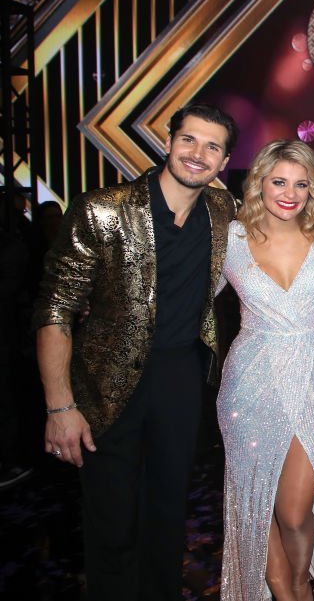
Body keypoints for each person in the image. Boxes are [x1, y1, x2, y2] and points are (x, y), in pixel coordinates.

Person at [33, 102, 237, 601]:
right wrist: (60, 406)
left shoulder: (222, 211)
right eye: (189, 140)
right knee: (111, 519)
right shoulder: (103, 208)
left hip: (182, 378)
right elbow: (54, 310)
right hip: (106, 383)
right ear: (168, 142)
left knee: (169, 514)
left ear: (224, 161)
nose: (198, 154)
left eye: (212, 146)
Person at [217, 140, 314, 601]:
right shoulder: (229, 238)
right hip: (249, 381)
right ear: (259, 183)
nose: (289, 193)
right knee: (253, 498)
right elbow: (186, 295)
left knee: (293, 510)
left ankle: (302, 580)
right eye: (279, 182)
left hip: (312, 374)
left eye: (301, 184)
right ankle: (280, 588)